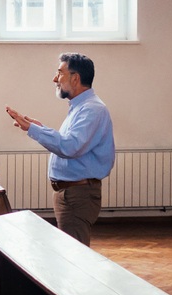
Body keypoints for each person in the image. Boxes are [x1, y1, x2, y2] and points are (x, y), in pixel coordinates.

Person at [6, 52, 115, 247]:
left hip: (77, 194)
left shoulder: (92, 109)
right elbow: (69, 142)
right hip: (71, 192)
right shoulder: (80, 107)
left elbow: (70, 147)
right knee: (70, 252)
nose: (55, 79)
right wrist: (39, 128)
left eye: (60, 73)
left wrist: (33, 129)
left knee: (74, 254)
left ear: (75, 78)